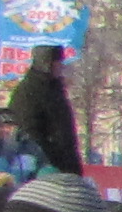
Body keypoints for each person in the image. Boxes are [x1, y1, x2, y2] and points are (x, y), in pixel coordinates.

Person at [8, 44, 82, 176]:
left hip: (64, 161)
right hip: (42, 165)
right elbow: (29, 130)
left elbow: (65, 131)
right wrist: (50, 156)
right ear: (46, 64)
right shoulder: (28, 90)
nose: (61, 66)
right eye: (57, 63)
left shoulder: (55, 90)